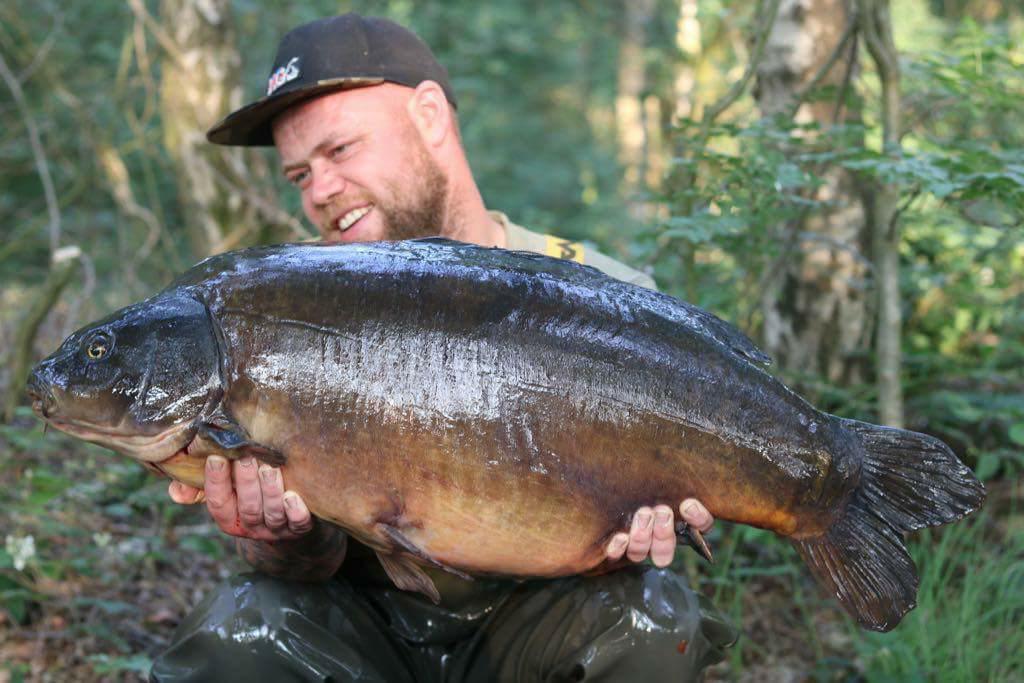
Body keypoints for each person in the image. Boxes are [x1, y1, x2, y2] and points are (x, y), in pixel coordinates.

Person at [150, 14, 737, 682]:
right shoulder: (278, 309)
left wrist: (632, 539)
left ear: (430, 116)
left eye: (339, 151)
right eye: (299, 175)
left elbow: (660, 520)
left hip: (535, 620)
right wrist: (280, 538)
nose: (319, 191)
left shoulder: (606, 297)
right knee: (238, 628)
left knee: (653, 618)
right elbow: (294, 569)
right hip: (364, 626)